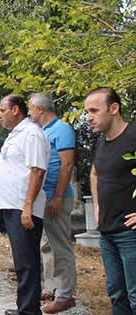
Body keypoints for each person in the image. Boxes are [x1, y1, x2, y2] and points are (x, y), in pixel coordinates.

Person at [0, 94, 50, 315]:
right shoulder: (16, 134)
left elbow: (38, 170)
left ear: (15, 110)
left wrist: (28, 206)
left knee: (27, 262)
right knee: (22, 261)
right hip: (12, 205)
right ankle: (26, 307)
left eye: (2, 110)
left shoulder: (31, 134)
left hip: (23, 206)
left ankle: (29, 311)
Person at [85, 87, 136, 315]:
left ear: (114, 108)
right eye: (87, 111)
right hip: (107, 232)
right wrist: (97, 205)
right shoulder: (103, 141)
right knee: (117, 295)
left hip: (131, 234)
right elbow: (95, 173)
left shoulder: (134, 136)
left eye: (94, 110)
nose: (89, 117)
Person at [28, 92, 78, 313]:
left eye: (30, 109)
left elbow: (67, 165)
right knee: (47, 245)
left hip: (57, 196)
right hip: (43, 197)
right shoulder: (42, 131)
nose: (28, 113)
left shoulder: (62, 129)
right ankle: (51, 286)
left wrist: (57, 196)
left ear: (40, 109)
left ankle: (66, 294)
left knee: (61, 246)